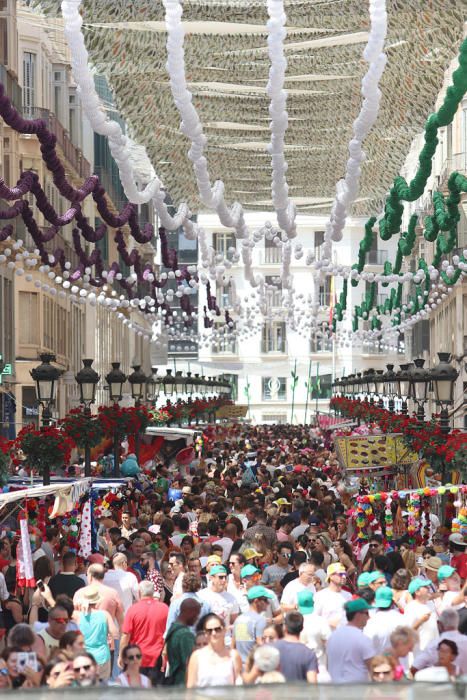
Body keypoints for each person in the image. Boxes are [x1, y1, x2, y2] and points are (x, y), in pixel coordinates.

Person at [119, 580, 168, 686]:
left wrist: (121, 655)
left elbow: (126, 635)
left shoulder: (133, 609)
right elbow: (168, 635)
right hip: (157, 658)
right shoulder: (164, 608)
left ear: (140, 592)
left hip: (137, 658)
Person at [186, 613, 242, 688]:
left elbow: (239, 686)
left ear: (224, 630)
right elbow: (190, 689)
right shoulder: (196, 656)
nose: (213, 633)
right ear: (205, 633)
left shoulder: (233, 655)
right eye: (209, 631)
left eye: (217, 629)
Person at [74, 586, 117, 681]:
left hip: (85, 656)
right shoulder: (104, 615)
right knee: (103, 687)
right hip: (102, 656)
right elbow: (115, 633)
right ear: (97, 601)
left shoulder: (78, 616)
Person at [327, 598, 375, 683]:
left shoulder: (333, 636)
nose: (368, 617)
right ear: (358, 615)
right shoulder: (362, 639)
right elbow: (372, 667)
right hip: (356, 691)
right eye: (366, 613)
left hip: (334, 689)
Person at [412, 608, 467, 675]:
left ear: (439, 624)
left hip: (440, 684)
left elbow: (414, 668)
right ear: (457, 623)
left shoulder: (433, 645)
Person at [273, 611, 317, 683]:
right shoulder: (309, 654)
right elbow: (313, 684)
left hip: (275, 693)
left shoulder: (270, 648)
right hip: (299, 693)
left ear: (284, 627)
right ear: (302, 628)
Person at [232, 585, 273, 662]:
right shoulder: (260, 620)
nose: (268, 603)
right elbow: (260, 643)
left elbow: (233, 644)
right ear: (256, 601)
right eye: (265, 600)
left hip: (240, 665)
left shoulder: (239, 619)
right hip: (253, 665)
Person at [165, 598, 201, 685]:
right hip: (183, 683)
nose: (197, 618)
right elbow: (190, 664)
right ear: (189, 612)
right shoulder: (185, 635)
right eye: (196, 614)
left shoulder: (173, 629)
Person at [198, 565, 239, 642]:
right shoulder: (201, 596)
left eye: (225, 577)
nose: (224, 580)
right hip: (207, 640)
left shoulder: (232, 598)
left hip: (226, 641)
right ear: (211, 578)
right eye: (220, 577)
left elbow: (235, 622)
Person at [364, 586, 404, 654]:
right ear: (392, 601)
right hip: (400, 663)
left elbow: (366, 647)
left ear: (375, 601)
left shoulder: (371, 623)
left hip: (380, 663)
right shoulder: (402, 619)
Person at [313, 562, 352, 628]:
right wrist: (329, 623)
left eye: (345, 574)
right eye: (340, 574)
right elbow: (314, 619)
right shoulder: (320, 596)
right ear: (330, 576)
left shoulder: (348, 595)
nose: (344, 576)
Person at [403, 578, 439, 651]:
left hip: (433, 651)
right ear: (417, 592)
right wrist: (421, 621)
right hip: (420, 652)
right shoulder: (411, 607)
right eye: (425, 587)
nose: (428, 588)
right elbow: (407, 632)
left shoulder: (430, 604)